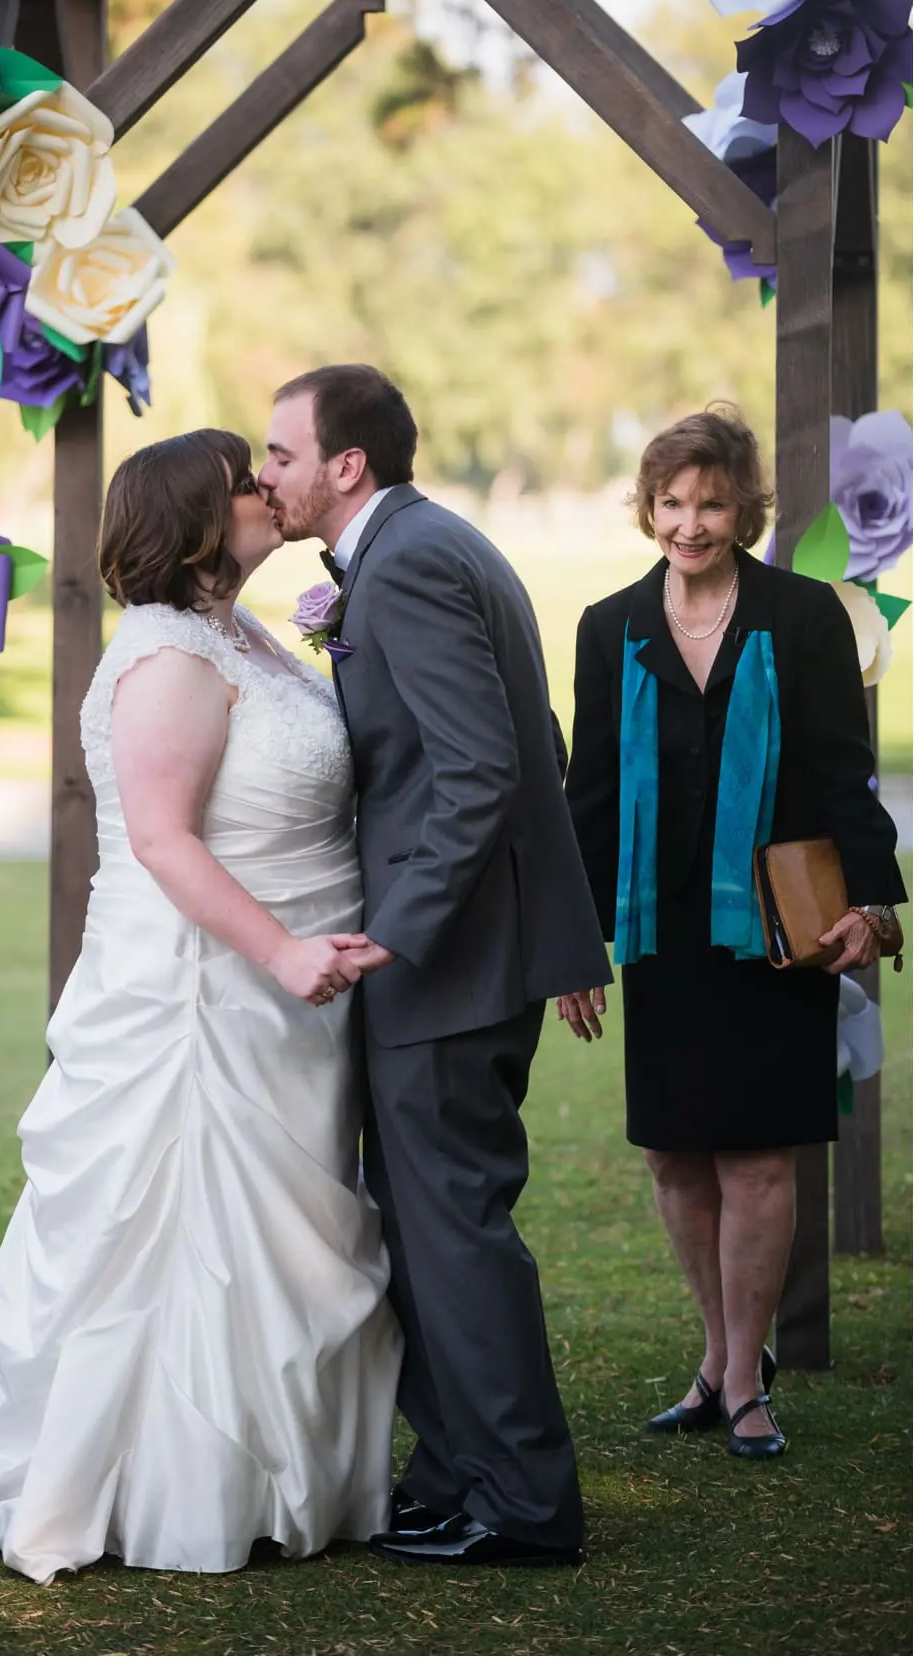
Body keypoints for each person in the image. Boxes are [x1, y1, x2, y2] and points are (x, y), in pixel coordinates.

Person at [0, 429, 402, 1581]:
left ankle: (280, 1473)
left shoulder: (242, 634)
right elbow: (165, 842)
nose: (268, 488)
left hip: (286, 1003)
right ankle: (170, 1491)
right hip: (202, 992)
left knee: (279, 1231)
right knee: (174, 1229)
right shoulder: (168, 655)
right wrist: (279, 952)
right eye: (244, 480)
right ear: (197, 518)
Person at [259, 365, 611, 1569]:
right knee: (423, 1220)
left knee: (453, 1228)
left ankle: (523, 1503)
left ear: (344, 465)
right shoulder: (425, 543)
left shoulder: (405, 563)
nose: (266, 476)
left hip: (446, 958)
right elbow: (530, 739)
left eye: (280, 454)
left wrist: (398, 928)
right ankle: (457, 1470)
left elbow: (482, 771)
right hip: (473, 943)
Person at [559, 407, 905, 1460]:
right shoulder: (607, 625)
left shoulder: (803, 619)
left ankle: (747, 1377)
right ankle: (716, 1358)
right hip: (658, 933)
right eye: (671, 501)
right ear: (647, 507)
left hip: (774, 932)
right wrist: (573, 946)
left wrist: (878, 904)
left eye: (711, 502)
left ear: (744, 506)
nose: (691, 523)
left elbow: (847, 772)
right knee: (675, 1158)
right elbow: (587, 799)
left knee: (758, 1159)